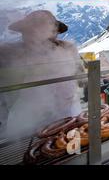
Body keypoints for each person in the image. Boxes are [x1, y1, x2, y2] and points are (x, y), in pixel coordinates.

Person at [0, 10, 83, 139]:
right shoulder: (10, 53)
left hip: (68, 113)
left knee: (70, 147)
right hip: (28, 120)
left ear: (55, 32)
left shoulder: (68, 48)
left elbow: (81, 75)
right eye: (29, 31)